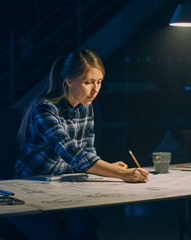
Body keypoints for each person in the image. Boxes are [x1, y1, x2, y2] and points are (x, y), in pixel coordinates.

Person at [10, 49, 149, 240]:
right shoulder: (44, 108)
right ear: (69, 81)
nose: (95, 89)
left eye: (99, 82)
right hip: (30, 188)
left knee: (85, 234)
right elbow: (74, 154)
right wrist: (122, 173)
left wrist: (106, 168)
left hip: (60, 188)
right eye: (88, 82)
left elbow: (88, 152)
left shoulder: (86, 106)